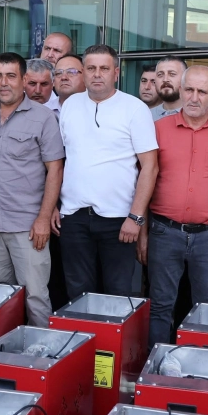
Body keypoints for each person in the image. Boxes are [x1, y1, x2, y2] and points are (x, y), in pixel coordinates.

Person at [145, 64, 208, 347]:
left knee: (206, 308)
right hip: (164, 232)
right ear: (181, 90)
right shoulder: (158, 130)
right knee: (160, 304)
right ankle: (157, 364)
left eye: (202, 91)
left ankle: (200, 366)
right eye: (189, 90)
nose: (194, 98)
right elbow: (145, 182)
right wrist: (142, 233)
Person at [57, 45, 158, 299]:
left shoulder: (135, 108)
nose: (97, 74)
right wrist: (55, 208)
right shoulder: (69, 105)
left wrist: (136, 218)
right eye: (91, 68)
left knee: (117, 295)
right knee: (77, 295)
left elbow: (150, 166)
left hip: (119, 219)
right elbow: (63, 161)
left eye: (104, 68)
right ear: (83, 72)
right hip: (74, 217)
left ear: (116, 72)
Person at [0, 52, 63, 326]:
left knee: (35, 297)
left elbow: (55, 170)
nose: (4, 82)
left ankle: (42, 351)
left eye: (11, 76)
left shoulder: (43, 118)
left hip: (28, 226)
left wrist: (44, 218)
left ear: (23, 80)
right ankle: (6, 351)